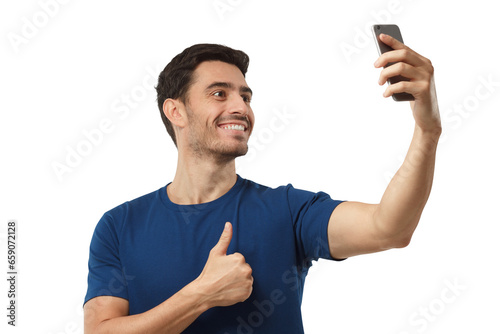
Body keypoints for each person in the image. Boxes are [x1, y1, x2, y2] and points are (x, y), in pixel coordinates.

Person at [83, 35, 441, 333]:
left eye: (246, 96)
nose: (241, 106)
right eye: (220, 94)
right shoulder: (119, 226)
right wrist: (201, 295)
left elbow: (389, 228)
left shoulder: (288, 211)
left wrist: (427, 130)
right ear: (175, 111)